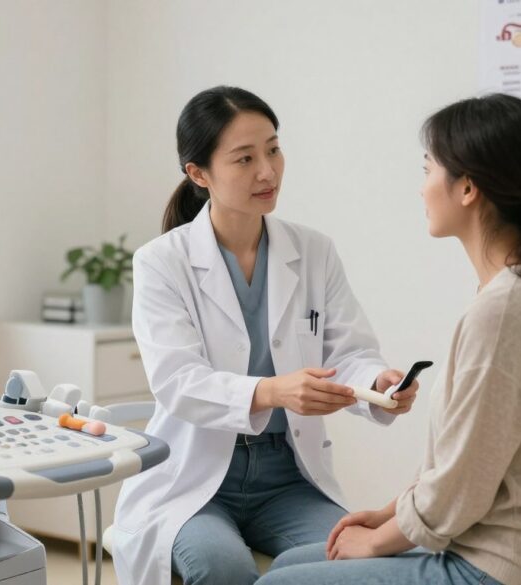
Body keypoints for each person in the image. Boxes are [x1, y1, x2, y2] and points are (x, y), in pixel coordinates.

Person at [257, 93, 521, 585]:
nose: (422, 189)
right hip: (502, 544)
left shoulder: (503, 312)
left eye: (428, 170)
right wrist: (389, 512)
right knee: (297, 564)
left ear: (467, 188)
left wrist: (377, 540)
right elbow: (469, 464)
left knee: (278, 583)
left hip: (508, 564)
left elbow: (458, 490)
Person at [110, 86, 421, 585]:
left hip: (289, 479)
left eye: (273, 149)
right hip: (197, 479)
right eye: (245, 158)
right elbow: (177, 380)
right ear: (198, 173)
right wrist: (273, 391)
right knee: (222, 568)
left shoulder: (314, 251)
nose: (267, 171)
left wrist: (378, 385)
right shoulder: (161, 262)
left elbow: (351, 352)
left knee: (350, 559)